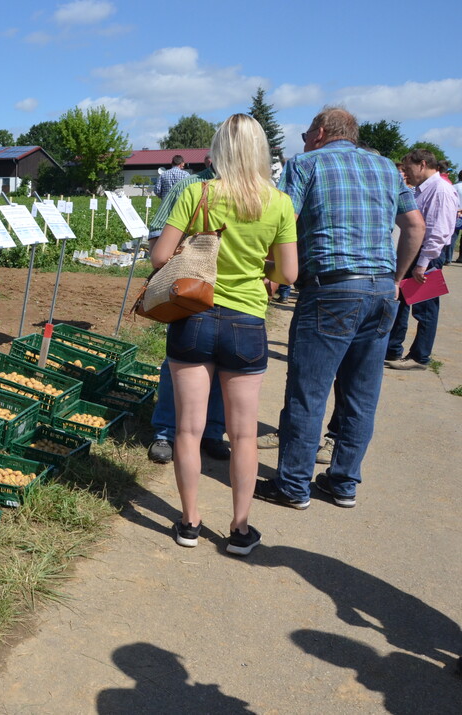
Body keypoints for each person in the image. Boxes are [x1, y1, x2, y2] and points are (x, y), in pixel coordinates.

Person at [255, 107, 424, 511]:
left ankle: (293, 485)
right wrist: (398, 279)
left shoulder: (306, 164)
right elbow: (415, 225)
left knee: (308, 391)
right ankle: (344, 482)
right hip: (381, 289)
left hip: (331, 288)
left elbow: (284, 221)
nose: (303, 139)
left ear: (321, 132)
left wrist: (271, 270)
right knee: (361, 396)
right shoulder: (386, 167)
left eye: (306, 132)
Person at [152, 114, 298, 555]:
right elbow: (290, 273)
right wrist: (259, 267)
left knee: (188, 430)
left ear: (220, 150)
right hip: (247, 323)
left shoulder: (197, 193)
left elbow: (161, 256)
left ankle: (189, 522)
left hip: (194, 316)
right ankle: (239, 528)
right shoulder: (278, 203)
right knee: (244, 435)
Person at [144, 156, 230, 465]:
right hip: (191, 291)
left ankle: (213, 432)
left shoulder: (251, 191)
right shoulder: (189, 186)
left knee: (223, 366)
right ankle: (164, 432)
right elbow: (157, 232)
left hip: (232, 295)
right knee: (177, 364)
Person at [384, 150, 458, 370]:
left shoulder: (441, 190)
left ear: (422, 164)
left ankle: (420, 356)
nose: (406, 174)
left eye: (408, 169)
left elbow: (439, 230)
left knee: (425, 310)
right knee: (403, 303)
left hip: (425, 256)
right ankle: (393, 349)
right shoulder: (424, 189)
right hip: (416, 253)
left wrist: (423, 262)